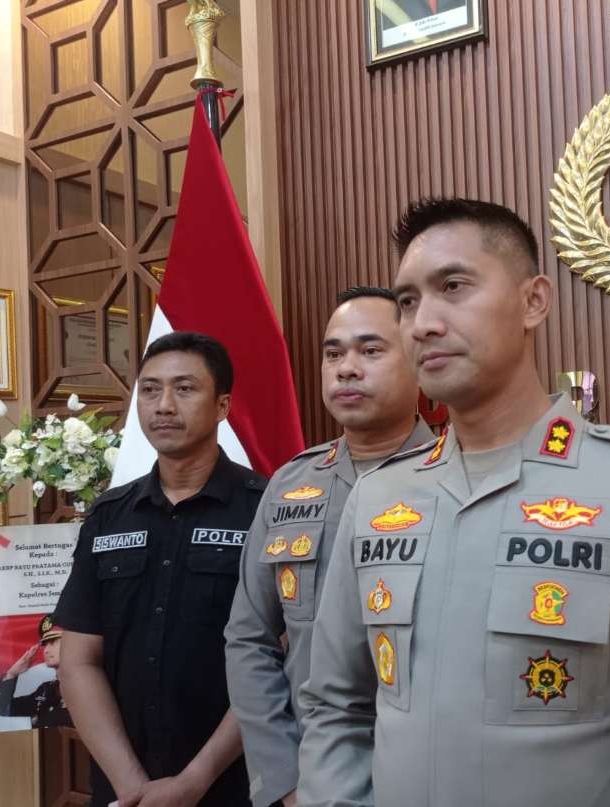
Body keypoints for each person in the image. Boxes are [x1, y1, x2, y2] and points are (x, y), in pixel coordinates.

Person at [297, 198, 610, 806]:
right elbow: (333, 706)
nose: (423, 321)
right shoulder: (378, 498)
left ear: (534, 301)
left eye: (453, 286)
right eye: (408, 301)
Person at [224, 286, 431, 807]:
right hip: (310, 777)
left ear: (417, 359)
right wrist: (286, 779)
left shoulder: (457, 478)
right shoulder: (291, 484)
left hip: (430, 774)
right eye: (333, 353)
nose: (347, 368)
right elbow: (249, 639)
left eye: (371, 350)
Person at [55, 331, 266, 807]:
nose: (163, 405)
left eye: (185, 389)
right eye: (150, 390)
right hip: (124, 788)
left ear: (222, 406)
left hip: (235, 784)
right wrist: (131, 785)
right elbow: (79, 660)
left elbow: (279, 663)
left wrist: (194, 781)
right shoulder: (109, 515)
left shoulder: (266, 511)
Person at [0, 613, 72, 728]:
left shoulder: (90, 688)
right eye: (45, 645)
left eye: (53, 642)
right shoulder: (46, 689)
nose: (46, 650)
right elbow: (3, 709)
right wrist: (12, 674)